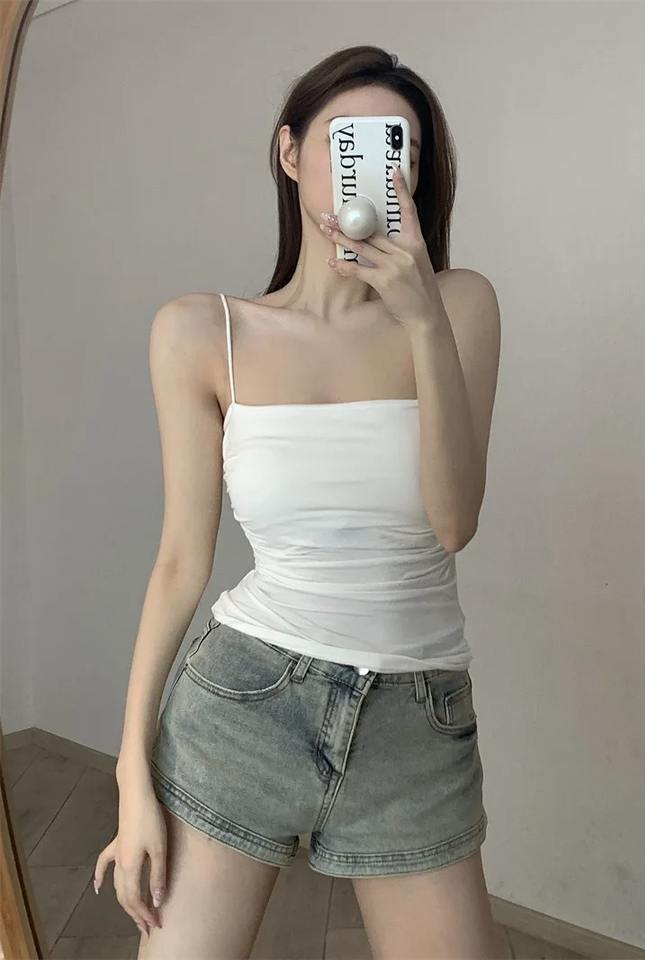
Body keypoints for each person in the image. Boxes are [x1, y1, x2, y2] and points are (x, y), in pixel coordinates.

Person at [94, 45, 505, 959]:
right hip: (245, 703)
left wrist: (420, 318)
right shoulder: (201, 332)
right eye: (346, 141)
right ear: (290, 153)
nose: (374, 167)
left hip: (415, 725)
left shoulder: (461, 306)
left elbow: (454, 523)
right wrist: (131, 776)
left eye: (398, 148)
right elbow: (180, 561)